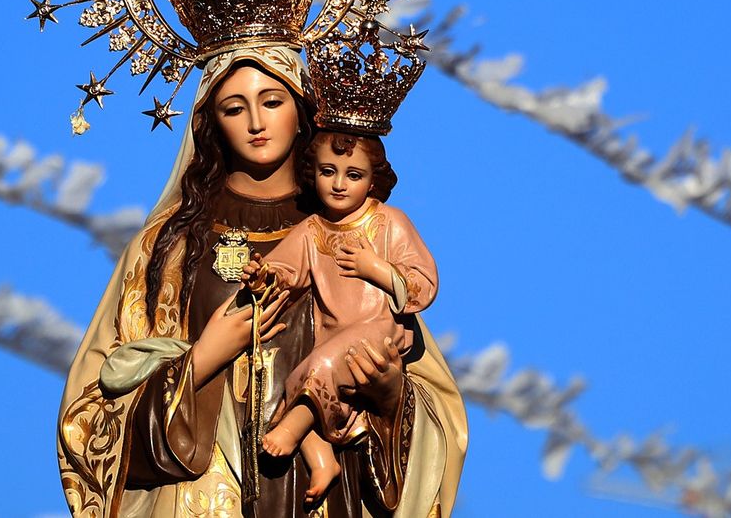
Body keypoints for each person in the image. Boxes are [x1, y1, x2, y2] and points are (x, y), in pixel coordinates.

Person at [57, 46, 465, 517]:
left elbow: (436, 404)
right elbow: (88, 421)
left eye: (272, 101)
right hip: (208, 494)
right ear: (211, 121)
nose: (256, 122)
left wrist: (392, 397)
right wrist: (204, 356)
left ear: (301, 110)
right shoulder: (168, 247)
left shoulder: (354, 231)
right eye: (234, 108)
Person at [248, 131, 438, 505]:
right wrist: (263, 276)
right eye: (327, 171)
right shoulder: (312, 231)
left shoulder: (388, 222)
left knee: (319, 369)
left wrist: (377, 269)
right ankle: (323, 463)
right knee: (293, 389)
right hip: (334, 337)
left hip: (380, 333)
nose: (338, 184)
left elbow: (424, 283)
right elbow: (286, 270)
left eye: (353, 175)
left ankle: (291, 433)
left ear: (373, 179)